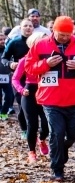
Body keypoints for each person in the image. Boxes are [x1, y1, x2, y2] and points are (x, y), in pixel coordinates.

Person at [24, 16, 75, 180]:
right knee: (56, 132)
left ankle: (60, 151)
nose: (64, 37)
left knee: (72, 134)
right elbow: (29, 67)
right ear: (53, 31)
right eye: (61, 34)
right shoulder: (40, 45)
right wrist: (46, 64)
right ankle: (57, 169)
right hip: (51, 99)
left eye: (67, 34)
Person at [11, 33, 49, 162]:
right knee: (32, 125)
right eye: (40, 41)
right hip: (29, 93)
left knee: (46, 123)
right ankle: (31, 151)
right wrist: (22, 90)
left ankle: (42, 140)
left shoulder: (49, 59)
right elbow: (15, 79)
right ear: (32, 44)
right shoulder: (24, 60)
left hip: (45, 93)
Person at [3, 19, 35, 138]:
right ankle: (24, 129)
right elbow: (4, 58)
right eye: (25, 26)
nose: (28, 28)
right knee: (23, 105)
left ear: (33, 28)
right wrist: (10, 64)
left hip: (35, 78)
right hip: (19, 78)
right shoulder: (14, 42)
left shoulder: (38, 42)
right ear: (20, 28)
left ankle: (36, 128)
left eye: (30, 26)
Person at [0, 30, 13, 120]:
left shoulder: (8, 49)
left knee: (9, 96)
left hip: (7, 76)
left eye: (4, 39)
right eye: (0, 39)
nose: (3, 41)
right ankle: (1, 113)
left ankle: (4, 112)